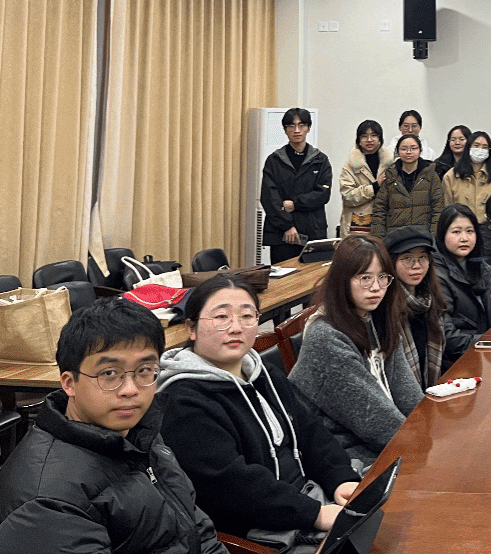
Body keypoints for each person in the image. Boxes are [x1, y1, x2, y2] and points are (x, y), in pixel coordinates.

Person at [0, 297, 226, 553]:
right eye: (109, 374)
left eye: (144, 370)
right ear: (69, 383)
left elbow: (199, 532)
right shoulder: (47, 502)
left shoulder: (140, 435)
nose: (130, 389)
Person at [157, 274, 360, 542]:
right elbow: (231, 486)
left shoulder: (264, 375)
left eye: (246, 316)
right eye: (221, 317)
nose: (236, 328)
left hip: (309, 499)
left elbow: (311, 431)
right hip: (259, 530)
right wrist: (315, 514)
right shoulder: (183, 401)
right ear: (191, 328)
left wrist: (340, 478)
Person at [288, 235, 423, 468]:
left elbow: (408, 395)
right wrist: (425, 447)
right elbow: (374, 419)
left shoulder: (377, 320)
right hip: (342, 456)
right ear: (342, 280)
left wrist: (430, 429)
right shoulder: (326, 336)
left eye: (383, 277)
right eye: (365, 278)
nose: (376, 287)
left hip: (378, 442)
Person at [430, 204, 491, 365]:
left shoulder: (480, 266)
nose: (464, 238)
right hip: (455, 361)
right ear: (442, 235)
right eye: (456, 232)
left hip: (484, 351)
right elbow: (447, 335)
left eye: (470, 231)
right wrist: (489, 341)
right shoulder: (436, 275)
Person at [260, 107, 333, 262]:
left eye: (301, 125)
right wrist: (286, 226)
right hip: (281, 234)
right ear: (285, 130)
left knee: (314, 274)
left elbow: (323, 194)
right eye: (291, 126)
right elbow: (269, 198)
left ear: (308, 128)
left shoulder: (320, 160)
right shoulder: (274, 160)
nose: (297, 130)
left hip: (312, 230)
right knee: (284, 274)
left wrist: (295, 204)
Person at [384, 227, 448, 387]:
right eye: (407, 258)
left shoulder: (429, 299)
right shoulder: (385, 306)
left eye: (422, 258)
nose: (417, 266)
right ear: (391, 262)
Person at [371, 132, 444, 239]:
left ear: (420, 150)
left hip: (423, 237)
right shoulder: (390, 175)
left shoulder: (431, 175)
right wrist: (380, 240)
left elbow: (438, 209)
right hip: (395, 237)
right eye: (404, 149)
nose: (408, 152)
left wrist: (433, 237)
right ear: (397, 152)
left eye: (413, 148)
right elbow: (380, 210)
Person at [339, 118, 386, 237]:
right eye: (364, 136)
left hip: (383, 221)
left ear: (380, 139)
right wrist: (374, 188)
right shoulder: (350, 166)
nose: (369, 140)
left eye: (374, 135)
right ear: (358, 140)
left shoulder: (389, 164)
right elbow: (348, 196)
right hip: (358, 221)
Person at [442, 130, 491, 211]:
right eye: (476, 146)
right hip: (461, 219)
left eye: (485, 147)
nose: (480, 150)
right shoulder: (451, 176)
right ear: (468, 147)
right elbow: (448, 207)